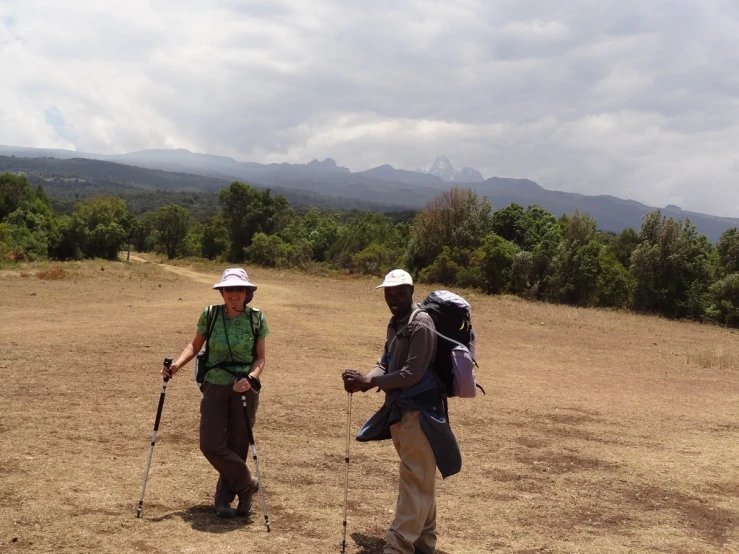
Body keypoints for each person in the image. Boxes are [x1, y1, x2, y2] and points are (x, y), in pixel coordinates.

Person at [343, 269, 461, 554]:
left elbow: (412, 373)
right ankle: (424, 541)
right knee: (419, 479)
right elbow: (386, 362)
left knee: (414, 481)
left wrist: (369, 381)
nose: (393, 298)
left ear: (411, 291)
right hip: (400, 411)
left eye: (399, 293)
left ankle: (398, 546)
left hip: (420, 414)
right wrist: (364, 382)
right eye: (389, 293)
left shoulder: (421, 324)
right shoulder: (397, 322)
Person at [161, 267, 269, 518]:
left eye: (239, 289)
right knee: (210, 444)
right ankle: (247, 485)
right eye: (229, 289)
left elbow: (261, 359)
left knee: (238, 443)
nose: (234, 294)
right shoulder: (210, 315)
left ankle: (224, 500)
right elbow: (194, 345)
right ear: (222, 292)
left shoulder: (256, 318)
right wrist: (176, 366)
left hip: (244, 387)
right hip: (214, 383)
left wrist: (251, 378)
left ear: (246, 292)